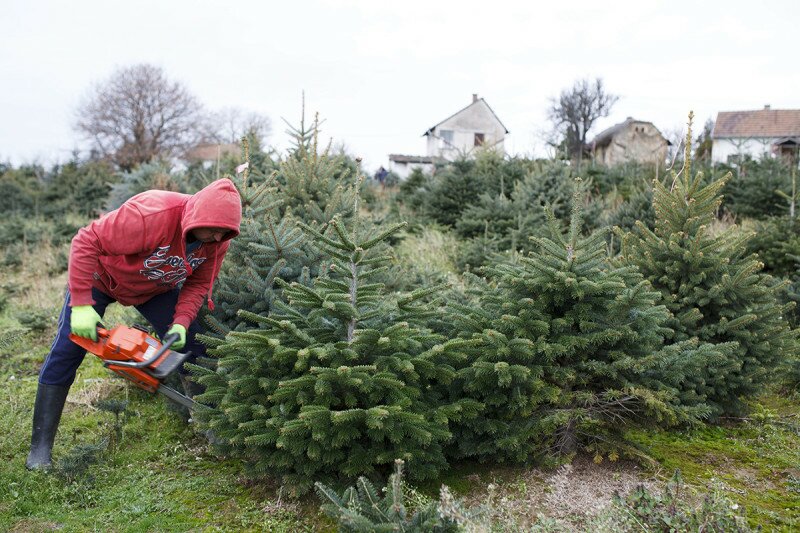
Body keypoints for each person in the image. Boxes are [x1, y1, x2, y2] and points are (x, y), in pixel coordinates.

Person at [26, 178, 242, 470]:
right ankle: (39, 450)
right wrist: (81, 304)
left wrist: (180, 322)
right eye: (214, 230)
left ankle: (209, 425)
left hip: (152, 288)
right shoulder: (151, 215)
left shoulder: (216, 244)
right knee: (67, 350)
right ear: (197, 216)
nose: (217, 239)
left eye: (224, 234)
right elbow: (86, 240)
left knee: (195, 344)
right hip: (100, 279)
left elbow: (198, 285)